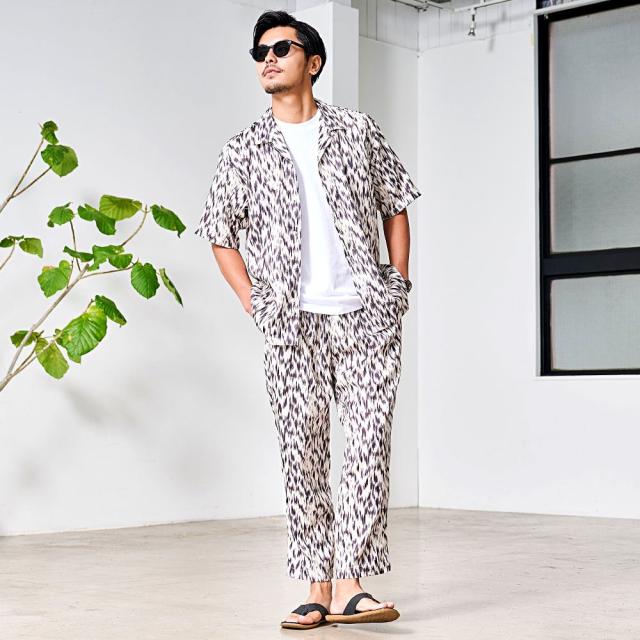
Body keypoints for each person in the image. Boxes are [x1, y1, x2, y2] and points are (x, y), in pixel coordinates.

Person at [194, 9, 421, 631]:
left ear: (312, 62)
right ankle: (316, 586)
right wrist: (255, 301)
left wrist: (397, 283)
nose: (267, 58)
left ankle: (352, 584)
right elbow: (219, 234)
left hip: (366, 316)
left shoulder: (357, 131)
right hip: (291, 324)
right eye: (260, 52)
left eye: (281, 48)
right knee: (303, 455)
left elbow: (396, 204)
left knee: (368, 449)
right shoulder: (243, 148)